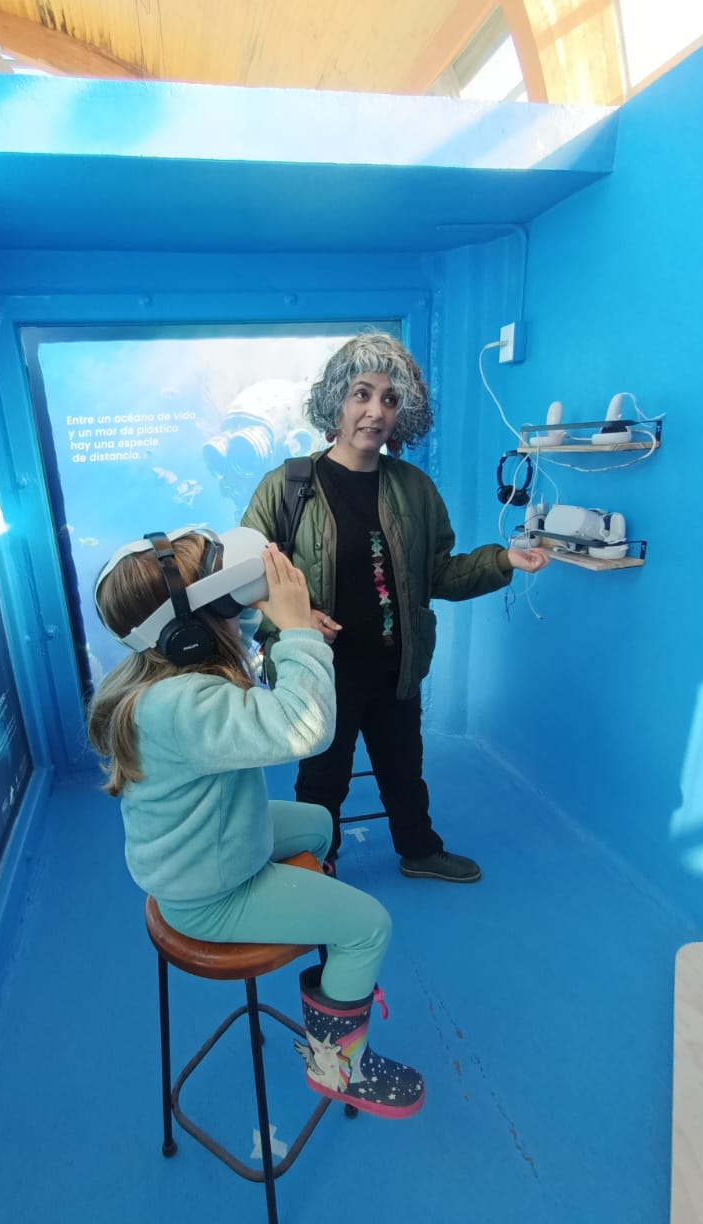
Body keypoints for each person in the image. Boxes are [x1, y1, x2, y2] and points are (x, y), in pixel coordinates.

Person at [87, 525, 424, 1118]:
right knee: (369, 925)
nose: (236, 613)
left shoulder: (159, 673)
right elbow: (304, 728)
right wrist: (297, 635)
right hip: (210, 894)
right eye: (224, 604)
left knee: (318, 824)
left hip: (206, 847)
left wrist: (290, 629)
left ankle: (317, 930)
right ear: (189, 633)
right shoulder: (184, 705)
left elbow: (231, 657)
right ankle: (337, 1066)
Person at [241, 332, 549, 884]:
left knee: (405, 771)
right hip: (320, 673)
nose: (375, 411)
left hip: (397, 667)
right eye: (361, 394)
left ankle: (419, 849)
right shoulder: (286, 487)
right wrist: (294, 621)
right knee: (322, 779)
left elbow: (439, 574)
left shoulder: (415, 489)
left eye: (390, 399)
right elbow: (247, 582)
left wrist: (504, 560)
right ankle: (315, 863)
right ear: (336, 401)